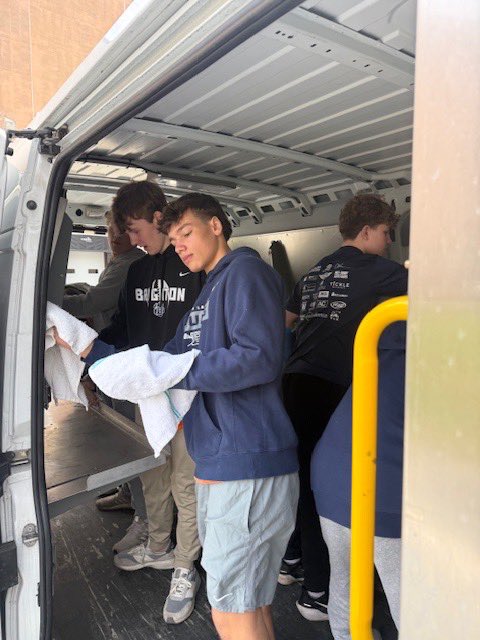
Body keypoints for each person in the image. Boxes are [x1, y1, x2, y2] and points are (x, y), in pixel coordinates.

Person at [282, 194, 408, 621]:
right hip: (334, 389)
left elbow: (287, 321)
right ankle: (318, 592)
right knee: (329, 492)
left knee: (304, 481)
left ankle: (294, 562)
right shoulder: (384, 272)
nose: (388, 242)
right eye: (386, 233)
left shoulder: (315, 270)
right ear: (368, 230)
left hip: (294, 382)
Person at [85, 181, 205, 624]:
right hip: (146, 394)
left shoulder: (194, 265)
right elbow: (121, 328)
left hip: (187, 395)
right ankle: (158, 546)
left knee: (185, 482)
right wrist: (85, 354)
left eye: (136, 229)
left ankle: (185, 566)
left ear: (159, 217)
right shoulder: (136, 272)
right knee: (152, 475)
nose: (133, 240)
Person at [312, 322, 407, 639]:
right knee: (410, 603)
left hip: (332, 476)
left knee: (344, 578)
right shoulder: (449, 350)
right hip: (386, 490)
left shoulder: (380, 330)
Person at [62, 211, 144, 332]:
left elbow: (91, 304)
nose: (116, 235)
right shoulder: (122, 259)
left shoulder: (128, 265)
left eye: (123, 231)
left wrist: (50, 303)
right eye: (112, 229)